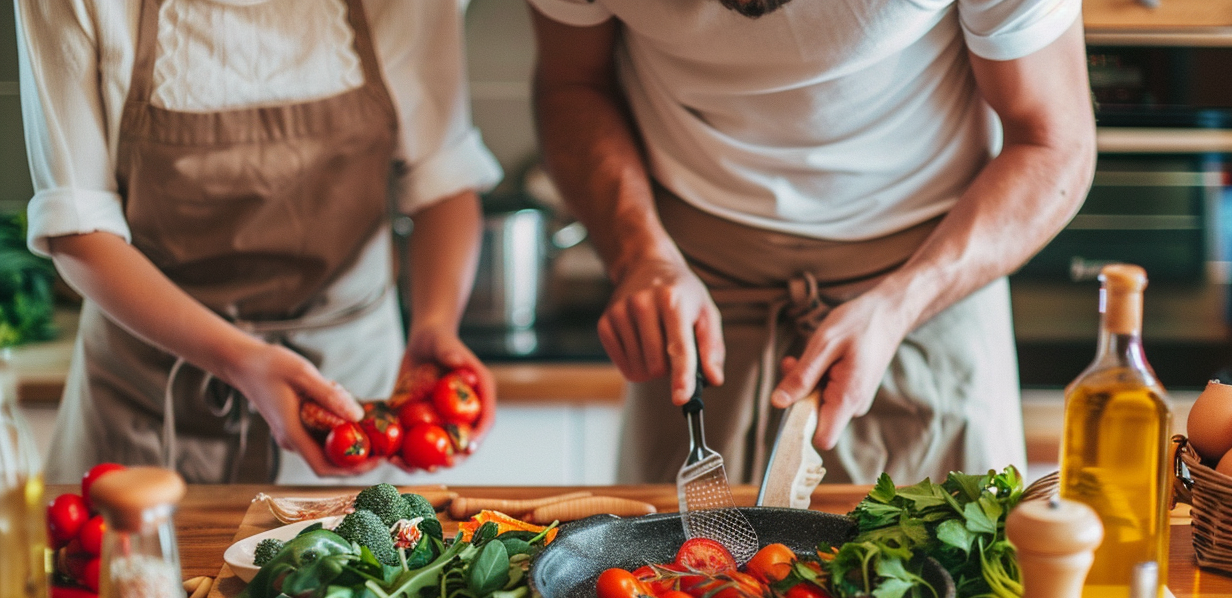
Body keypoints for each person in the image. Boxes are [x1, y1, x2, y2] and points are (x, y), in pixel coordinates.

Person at [527, 0, 1096, 485]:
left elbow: (1053, 143)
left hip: (927, 286)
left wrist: (902, 302)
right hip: (690, 300)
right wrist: (639, 254)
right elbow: (573, 82)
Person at [16, 0, 502, 483]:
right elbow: (78, 227)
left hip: (350, 394)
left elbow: (443, 176)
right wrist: (240, 359)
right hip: (148, 400)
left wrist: (435, 322)